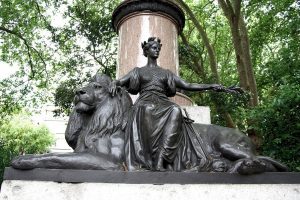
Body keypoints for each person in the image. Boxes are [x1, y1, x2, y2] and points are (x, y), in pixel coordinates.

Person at [110, 37, 226, 171]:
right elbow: (120, 81)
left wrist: (210, 86)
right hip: (145, 101)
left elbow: (187, 85)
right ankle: (147, 158)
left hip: (163, 102)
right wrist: (114, 83)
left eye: (158, 49)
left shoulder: (166, 73)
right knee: (147, 109)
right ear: (146, 51)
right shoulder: (138, 71)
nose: (157, 51)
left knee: (176, 109)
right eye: (154, 48)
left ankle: (161, 159)